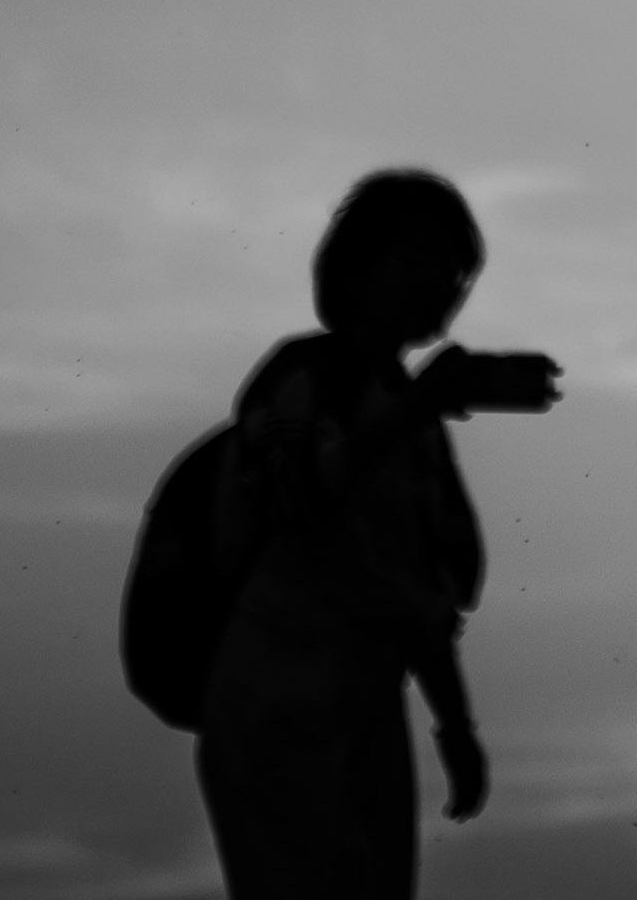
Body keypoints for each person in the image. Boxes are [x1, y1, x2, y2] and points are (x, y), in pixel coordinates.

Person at [199, 167, 561, 900]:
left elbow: (422, 595)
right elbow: (299, 497)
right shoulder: (302, 376)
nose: (443, 283)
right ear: (359, 264)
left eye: (457, 269)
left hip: (362, 713)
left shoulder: (410, 415)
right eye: (423, 257)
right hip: (280, 706)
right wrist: (417, 406)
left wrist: (454, 726)